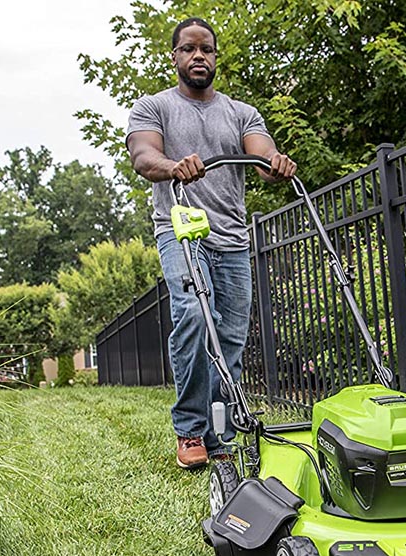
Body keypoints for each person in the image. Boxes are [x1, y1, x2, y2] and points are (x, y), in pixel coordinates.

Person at [126, 17, 297, 469]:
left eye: (206, 50)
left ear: (216, 57)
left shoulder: (241, 113)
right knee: (192, 316)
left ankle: (220, 434)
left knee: (231, 336)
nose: (198, 56)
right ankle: (188, 429)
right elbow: (144, 156)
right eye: (188, 49)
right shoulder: (152, 107)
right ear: (175, 56)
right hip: (180, 230)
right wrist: (172, 165)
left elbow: (260, 153)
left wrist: (274, 163)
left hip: (233, 238)